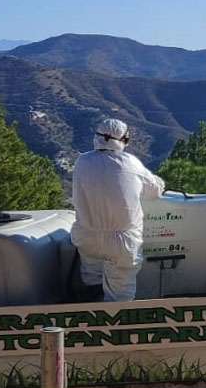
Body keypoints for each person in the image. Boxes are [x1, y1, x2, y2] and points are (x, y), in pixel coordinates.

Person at [71, 118, 165, 302]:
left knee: (92, 285)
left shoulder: (82, 162)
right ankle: (115, 328)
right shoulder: (131, 163)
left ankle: (91, 322)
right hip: (122, 242)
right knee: (120, 296)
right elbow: (154, 191)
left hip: (87, 237)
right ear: (122, 141)